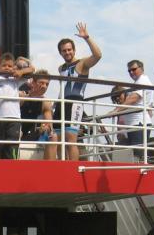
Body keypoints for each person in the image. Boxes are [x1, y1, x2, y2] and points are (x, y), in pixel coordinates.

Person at [54, 23, 103, 160]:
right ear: (60, 53)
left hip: (75, 103)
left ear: (74, 50)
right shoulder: (61, 68)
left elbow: (98, 55)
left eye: (69, 50)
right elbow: (63, 87)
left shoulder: (82, 63)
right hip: (61, 104)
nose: (67, 52)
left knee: (71, 139)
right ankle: (62, 165)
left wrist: (87, 38)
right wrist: (55, 104)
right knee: (57, 138)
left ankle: (72, 168)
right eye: (64, 50)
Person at [0, 50, 34, 159]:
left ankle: (13, 168)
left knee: (12, 149)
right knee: (0, 151)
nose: (7, 68)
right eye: (4, 65)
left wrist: (21, 71)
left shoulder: (15, 79)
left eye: (10, 66)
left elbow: (32, 69)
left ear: (14, 67)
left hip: (14, 119)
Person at [20, 70, 57, 160]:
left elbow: (49, 125)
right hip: (18, 131)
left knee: (53, 136)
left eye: (47, 84)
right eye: (41, 83)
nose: (44, 86)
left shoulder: (45, 102)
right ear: (33, 82)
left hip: (33, 133)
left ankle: (50, 168)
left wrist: (46, 128)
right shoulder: (22, 97)